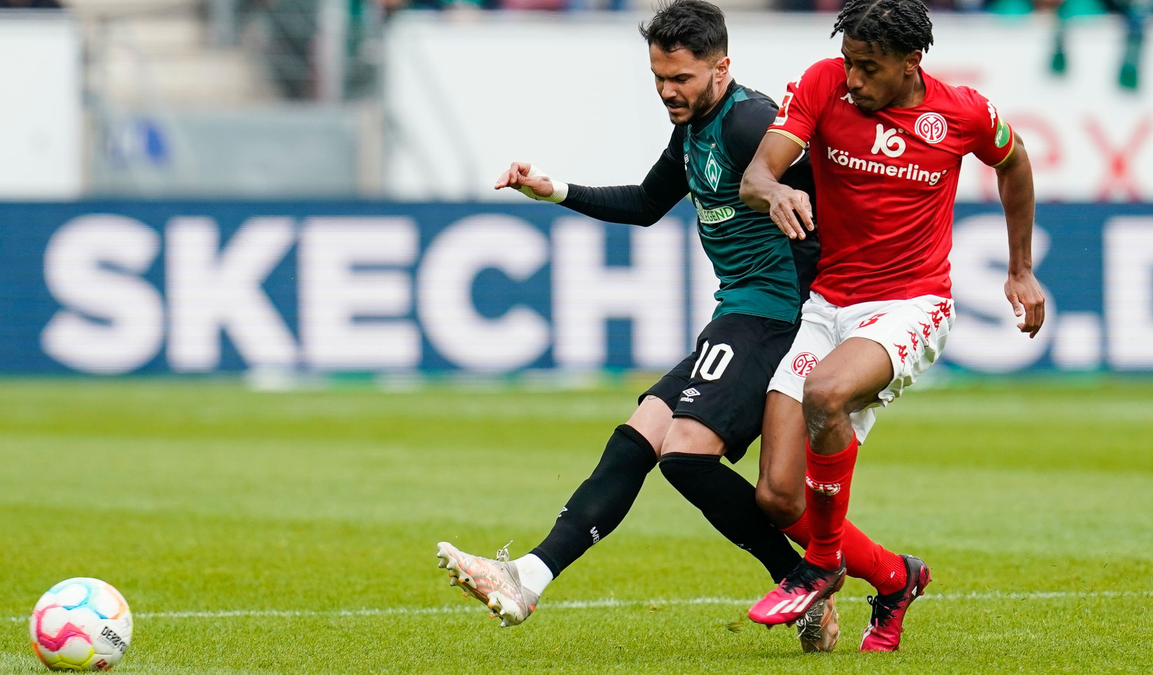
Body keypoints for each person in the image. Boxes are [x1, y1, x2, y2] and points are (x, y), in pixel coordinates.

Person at [437, 0, 902, 653]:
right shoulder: (694, 132)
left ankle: (801, 578)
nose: (667, 91)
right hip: (739, 314)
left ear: (721, 68)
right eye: (659, 77)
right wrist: (554, 189)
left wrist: (819, 291)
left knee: (685, 452)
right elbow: (649, 203)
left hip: (774, 316)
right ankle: (529, 577)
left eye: (681, 78)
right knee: (640, 439)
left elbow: (830, 188)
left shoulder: (749, 122)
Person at [742, 0, 1045, 652]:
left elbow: (1015, 162)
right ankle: (896, 577)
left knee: (826, 393)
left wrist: (1020, 268)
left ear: (912, 64)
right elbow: (759, 172)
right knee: (776, 494)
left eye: (869, 68)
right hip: (828, 304)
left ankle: (823, 563)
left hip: (912, 303)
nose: (853, 79)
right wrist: (776, 191)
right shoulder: (823, 83)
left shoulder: (961, 112)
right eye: (850, 62)